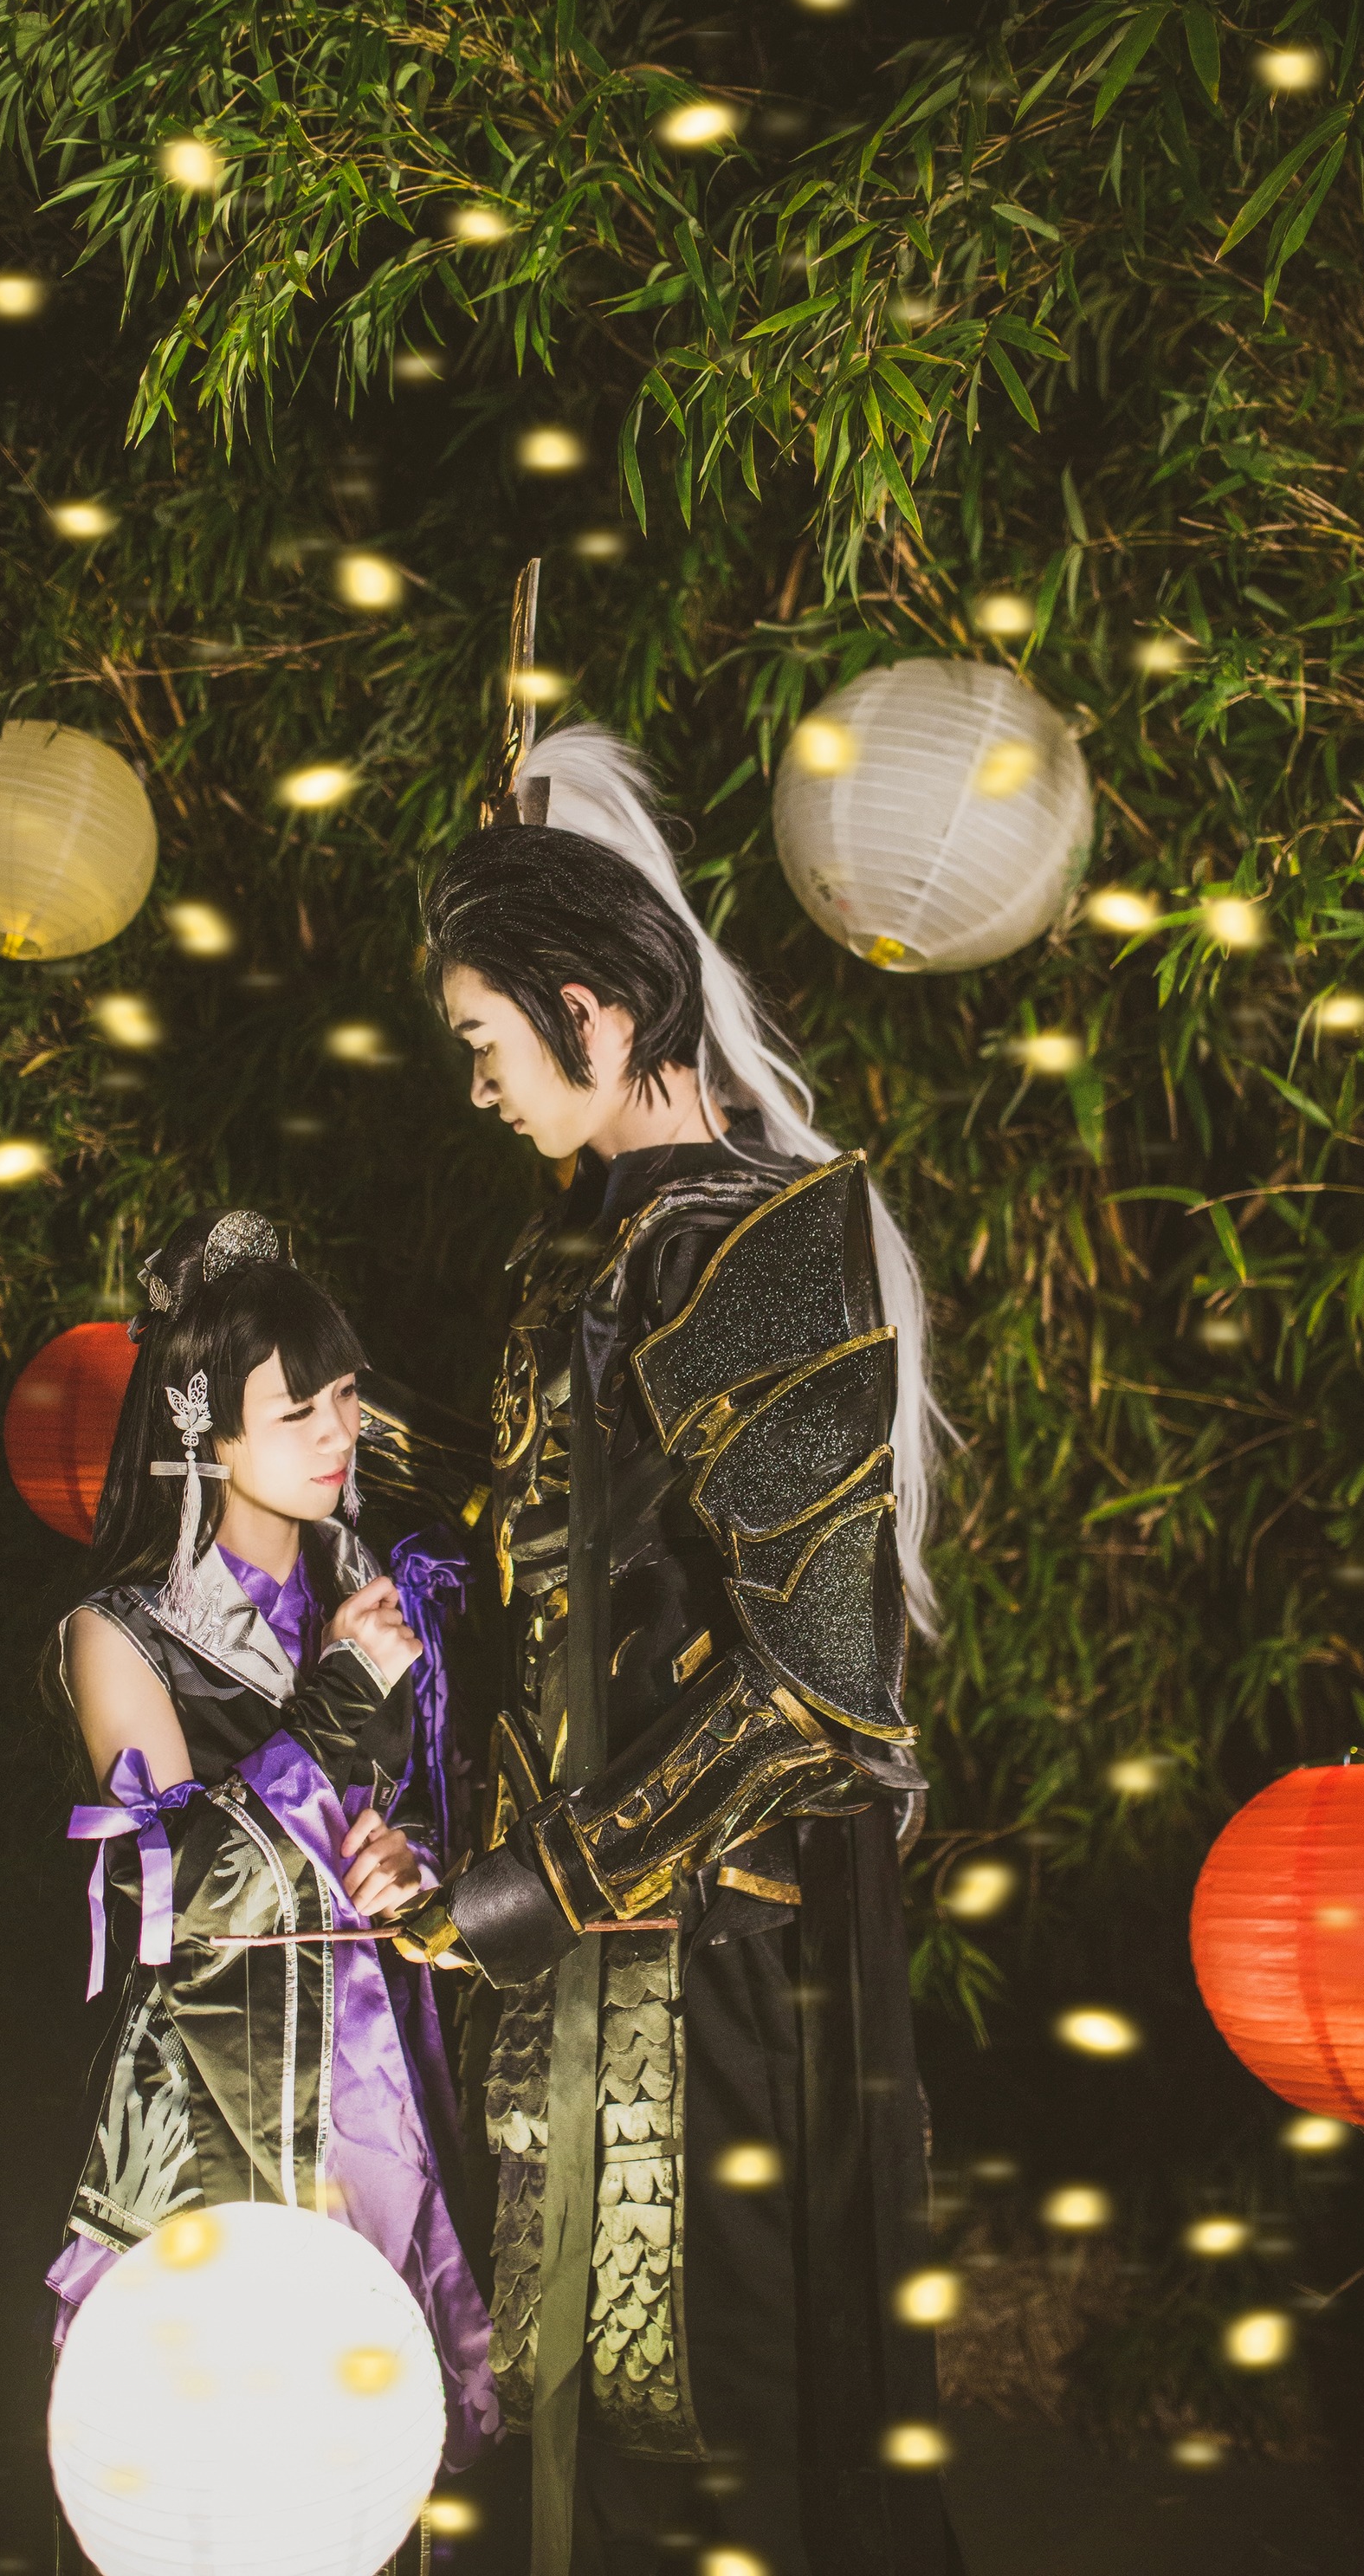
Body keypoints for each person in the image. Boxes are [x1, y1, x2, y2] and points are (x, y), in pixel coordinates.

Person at [393, 727, 963, 2575]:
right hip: (581, 1945)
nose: (479, 1086)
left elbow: (817, 1687)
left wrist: (542, 1885)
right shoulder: (584, 1251)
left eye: (486, 1039)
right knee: (569, 2419)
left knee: (706, 2427)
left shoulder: (763, 1244)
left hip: (711, 1949)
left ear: (592, 1012)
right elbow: (568, 1526)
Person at [44, 1206, 499, 2475]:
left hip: (388, 2082)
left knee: (388, 2455)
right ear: (207, 1433)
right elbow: (181, 1898)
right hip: (213, 2100)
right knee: (227, 2463)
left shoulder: (384, 1593)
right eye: (299, 1411)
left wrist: (412, 1866)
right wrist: (343, 1695)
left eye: (346, 1396)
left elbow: (434, 1811)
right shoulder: (121, 1633)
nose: (342, 1434)